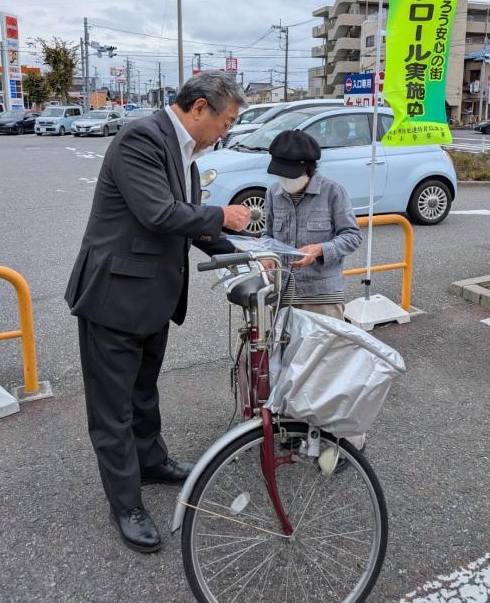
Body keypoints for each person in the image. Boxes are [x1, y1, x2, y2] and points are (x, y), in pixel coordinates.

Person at [65, 72, 251, 554]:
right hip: (114, 296)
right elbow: (159, 213)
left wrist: (241, 251)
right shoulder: (141, 138)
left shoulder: (185, 152)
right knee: (113, 408)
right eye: (227, 121)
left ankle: (151, 462)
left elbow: (186, 224)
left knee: (143, 392)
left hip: (153, 296)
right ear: (200, 108)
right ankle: (126, 504)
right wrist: (223, 215)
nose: (226, 131)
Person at [264, 129, 362, 320]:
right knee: (283, 340)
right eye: (281, 175)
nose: (285, 180)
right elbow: (267, 235)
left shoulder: (332, 191)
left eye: (291, 175)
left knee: (325, 341)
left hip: (322, 296)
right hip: (283, 293)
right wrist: (266, 255)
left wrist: (319, 250)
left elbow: (352, 236)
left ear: (308, 170)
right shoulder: (273, 193)